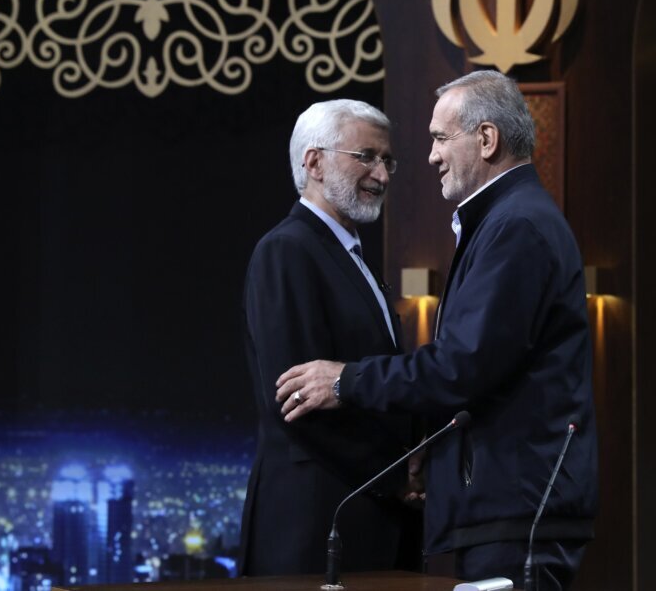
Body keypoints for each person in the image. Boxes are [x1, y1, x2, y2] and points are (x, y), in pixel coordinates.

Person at [275, 71, 598, 590]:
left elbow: (461, 365)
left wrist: (344, 381)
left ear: (487, 139)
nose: (430, 156)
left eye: (441, 138)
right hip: (510, 504)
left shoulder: (515, 227)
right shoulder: (507, 221)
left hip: (518, 508)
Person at [237, 99, 419, 576]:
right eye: (366, 156)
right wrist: (394, 474)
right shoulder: (287, 250)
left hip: (364, 518)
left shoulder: (349, 256)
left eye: (387, 160)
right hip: (312, 526)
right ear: (314, 163)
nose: (382, 175)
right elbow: (296, 399)